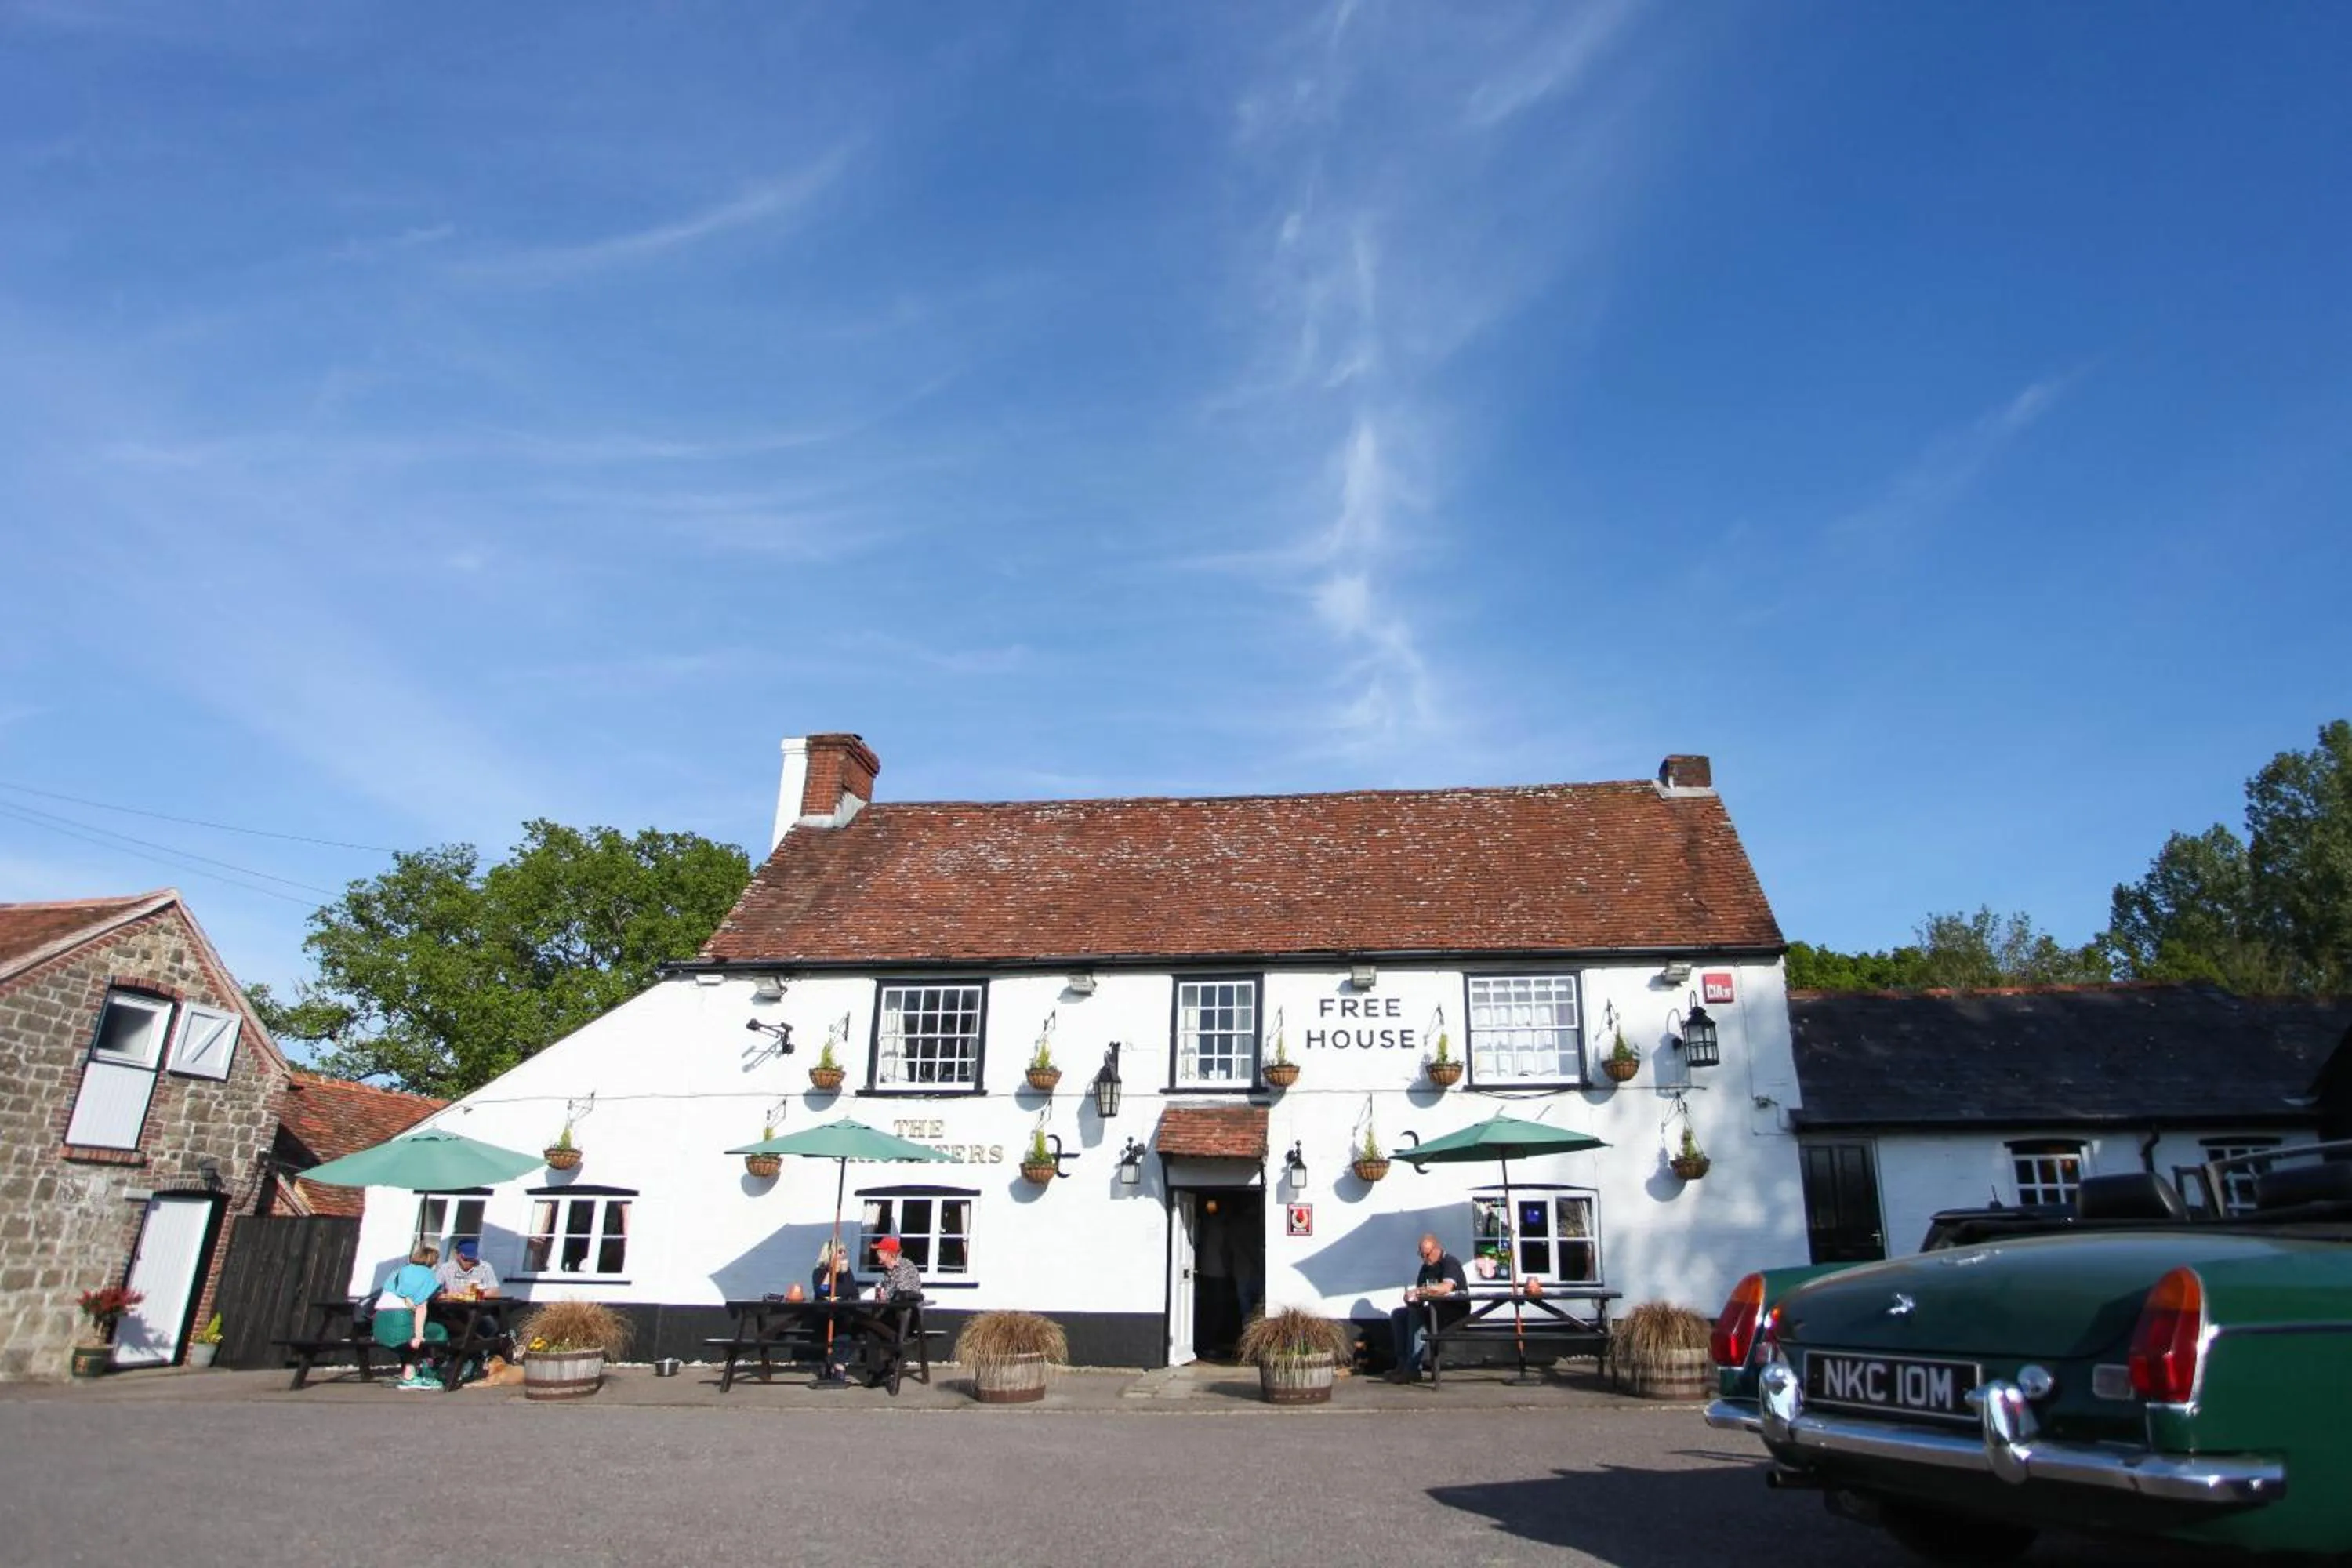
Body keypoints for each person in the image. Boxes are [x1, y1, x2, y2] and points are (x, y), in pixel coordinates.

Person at [1386, 1232, 1469, 1382]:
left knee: (1417, 1316)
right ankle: (1402, 1364)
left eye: (1427, 1255)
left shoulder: (1450, 1262)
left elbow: (1446, 1287)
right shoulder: (1425, 1268)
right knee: (1399, 1314)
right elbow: (1420, 1298)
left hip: (1454, 1312)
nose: (1424, 1259)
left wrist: (1420, 1291)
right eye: (1421, 1255)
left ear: (1437, 1249)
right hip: (1434, 1310)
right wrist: (1411, 1300)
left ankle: (1413, 1369)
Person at [373, 1243, 448, 1390]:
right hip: (400, 1322)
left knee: (419, 1334)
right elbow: (421, 1307)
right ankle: (429, 1373)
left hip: (380, 1324)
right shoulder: (427, 1275)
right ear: (433, 1262)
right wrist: (419, 1335)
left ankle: (410, 1374)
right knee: (438, 1331)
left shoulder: (398, 1271)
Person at [855, 1235, 924, 1388]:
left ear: (888, 1253)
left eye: (879, 1251)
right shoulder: (888, 1273)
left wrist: (888, 1297)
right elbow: (888, 1296)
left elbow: (905, 1295)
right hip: (892, 1314)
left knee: (871, 1323)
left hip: (907, 1317)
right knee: (872, 1328)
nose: (876, 1254)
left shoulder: (906, 1266)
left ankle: (890, 1351)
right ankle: (877, 1373)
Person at [434, 1238, 500, 1298]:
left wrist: (476, 1294)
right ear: (457, 1254)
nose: (469, 1262)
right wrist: (447, 1295)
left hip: (477, 1308)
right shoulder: (446, 1268)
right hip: (451, 1307)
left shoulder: (485, 1267)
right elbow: (432, 1290)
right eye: (465, 1259)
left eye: (472, 1258)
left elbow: (495, 1292)